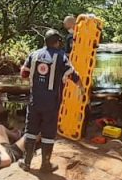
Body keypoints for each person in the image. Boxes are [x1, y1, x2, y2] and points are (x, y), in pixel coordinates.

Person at [18, 29, 80, 172]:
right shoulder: (61, 56)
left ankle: (26, 163)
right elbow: (73, 75)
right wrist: (82, 89)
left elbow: (23, 74)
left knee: (30, 129)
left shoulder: (34, 55)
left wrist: (38, 78)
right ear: (57, 42)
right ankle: (45, 164)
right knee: (48, 132)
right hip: (51, 102)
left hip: (35, 100)